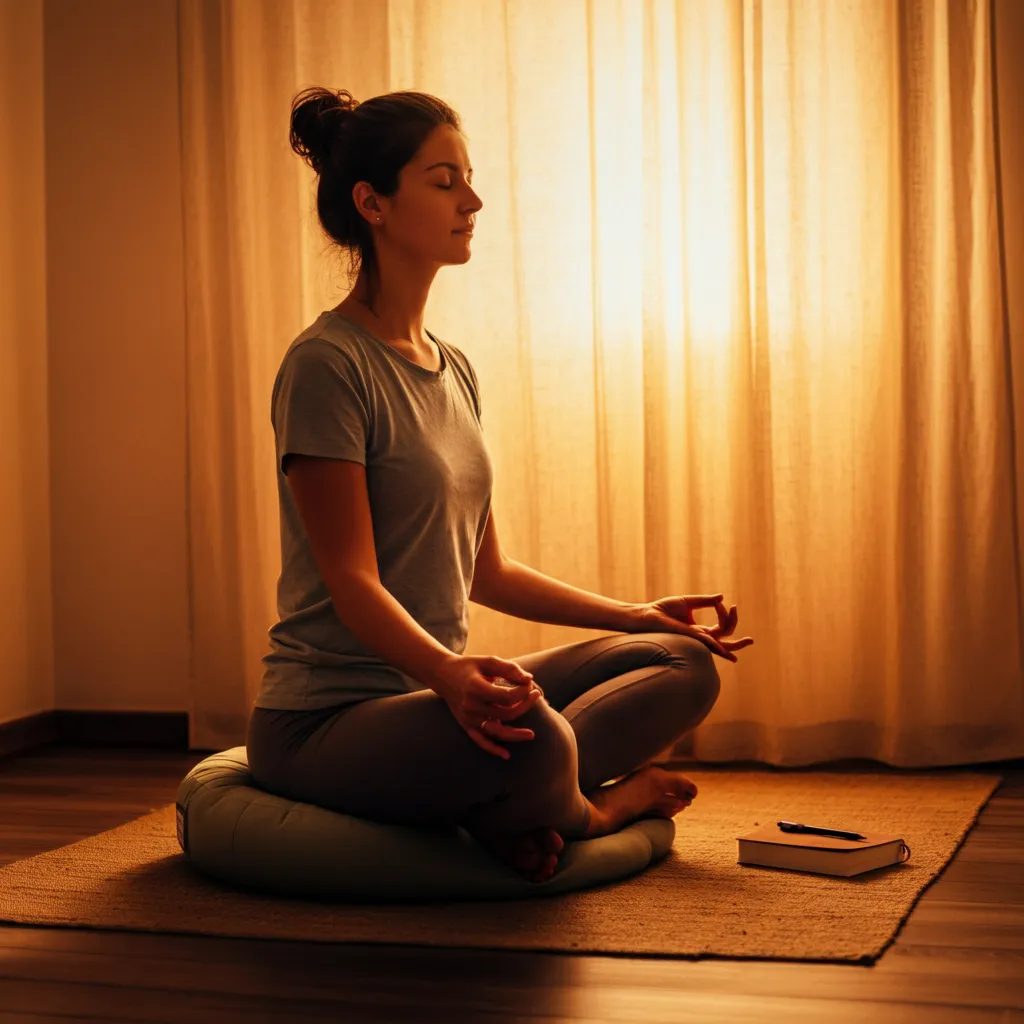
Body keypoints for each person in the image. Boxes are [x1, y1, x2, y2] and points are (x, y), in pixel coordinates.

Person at [246, 86, 752, 885]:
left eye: (469, 178)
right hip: (329, 717)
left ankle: (509, 805)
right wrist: (448, 674)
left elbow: (490, 573)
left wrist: (638, 612)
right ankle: (596, 810)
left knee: (679, 662)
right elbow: (350, 581)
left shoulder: (456, 370)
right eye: (444, 181)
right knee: (543, 738)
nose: (473, 200)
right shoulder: (327, 366)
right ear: (372, 204)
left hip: (438, 699)